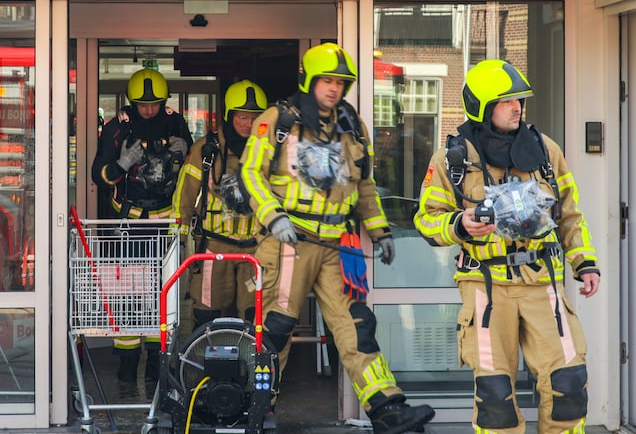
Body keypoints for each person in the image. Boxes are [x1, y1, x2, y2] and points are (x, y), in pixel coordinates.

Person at [239, 43, 436, 434]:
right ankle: (253, 408)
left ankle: (386, 409)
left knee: (356, 326)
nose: (334, 89)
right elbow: (250, 174)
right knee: (275, 329)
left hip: (335, 245)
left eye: (340, 82)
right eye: (326, 81)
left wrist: (380, 231)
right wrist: (272, 216)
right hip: (289, 241)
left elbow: (364, 185)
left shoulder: (352, 124)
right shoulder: (277, 120)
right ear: (309, 81)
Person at [414, 59, 600, 434]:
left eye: (520, 100)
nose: (517, 107)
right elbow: (426, 219)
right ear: (482, 107)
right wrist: (460, 225)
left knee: (568, 385)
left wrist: (585, 263)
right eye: (506, 101)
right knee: (494, 396)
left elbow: (570, 214)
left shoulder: (545, 151)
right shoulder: (452, 160)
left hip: (542, 283)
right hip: (485, 287)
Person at [91, 67, 193, 382]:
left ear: (164, 101)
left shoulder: (175, 122)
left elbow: (193, 168)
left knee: (162, 293)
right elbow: (99, 175)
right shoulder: (116, 129)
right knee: (129, 294)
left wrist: (185, 152)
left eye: (154, 104)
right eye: (142, 105)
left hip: (164, 221)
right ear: (131, 102)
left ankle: (154, 362)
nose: (149, 110)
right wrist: (120, 165)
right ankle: (126, 362)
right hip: (129, 224)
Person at [173, 80, 268, 327]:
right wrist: (178, 241)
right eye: (242, 117)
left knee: (253, 316)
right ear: (229, 116)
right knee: (208, 314)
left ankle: (249, 365)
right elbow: (184, 198)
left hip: (255, 250)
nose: (248, 124)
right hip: (214, 248)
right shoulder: (205, 150)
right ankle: (203, 365)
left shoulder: (268, 152)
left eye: (254, 118)